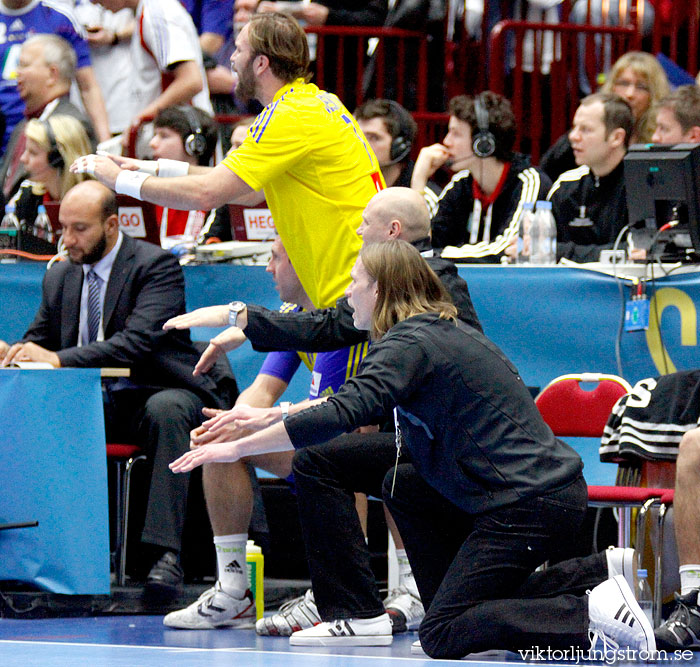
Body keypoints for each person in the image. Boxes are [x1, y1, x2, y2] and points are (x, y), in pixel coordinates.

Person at [168, 239, 655, 657]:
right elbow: (342, 401)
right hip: (524, 493)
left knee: (442, 632)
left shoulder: (410, 344)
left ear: (379, 289)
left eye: (354, 281)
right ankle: (598, 574)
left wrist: (236, 450)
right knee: (403, 487)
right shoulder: (424, 332)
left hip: (527, 504)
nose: (346, 293)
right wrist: (266, 413)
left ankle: (587, 613)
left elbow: (342, 412)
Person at [161, 187, 475, 633]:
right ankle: (300, 597)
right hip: (413, 438)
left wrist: (268, 413)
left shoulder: (432, 288)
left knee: (345, 447)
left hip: (453, 448)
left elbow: (353, 403)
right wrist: (240, 321)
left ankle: (393, 590)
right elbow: (323, 328)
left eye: (365, 224)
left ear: (393, 232)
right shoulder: (386, 290)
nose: (356, 233)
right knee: (301, 450)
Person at [0, 180, 234, 599]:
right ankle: (38, 548)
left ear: (111, 225)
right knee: (29, 406)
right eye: (63, 229)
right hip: (90, 401)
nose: (67, 240)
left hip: (151, 390)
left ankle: (165, 555)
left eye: (79, 229)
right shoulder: (61, 274)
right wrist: (14, 351)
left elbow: (138, 342)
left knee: (170, 409)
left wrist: (58, 359)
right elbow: (42, 339)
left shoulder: (155, 266)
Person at [72, 11, 384, 310]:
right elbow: (247, 192)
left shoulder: (286, 115)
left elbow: (207, 193)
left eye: (238, 50)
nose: (231, 59)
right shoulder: (315, 101)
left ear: (260, 63)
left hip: (351, 290)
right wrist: (150, 167)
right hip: (353, 285)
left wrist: (120, 181)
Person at [411, 91, 551, 263]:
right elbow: (423, 245)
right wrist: (419, 181)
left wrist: (436, 255)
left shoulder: (529, 181)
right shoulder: (460, 183)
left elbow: (506, 248)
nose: (446, 141)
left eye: (456, 133)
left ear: (484, 143)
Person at [92, 0, 213, 140]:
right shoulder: (148, 12)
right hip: (172, 135)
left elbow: (191, 81)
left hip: (184, 137)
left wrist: (139, 120)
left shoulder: (157, 12)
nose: (93, 2)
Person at [541, 51, 670, 181]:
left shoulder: (660, 138)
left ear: (654, 94)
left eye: (641, 87)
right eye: (623, 83)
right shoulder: (583, 134)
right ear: (612, 86)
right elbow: (546, 171)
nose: (630, 94)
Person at [0, 0, 109, 153]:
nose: (19, 73)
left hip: (51, 131)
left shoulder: (58, 17)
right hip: (7, 131)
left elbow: (88, 87)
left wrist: (106, 145)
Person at [0, 35, 97, 203]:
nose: (16, 73)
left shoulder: (72, 126)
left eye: (24, 65)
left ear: (52, 74)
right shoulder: (22, 125)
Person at [547, 92, 633, 263]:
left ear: (616, 137)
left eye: (585, 130)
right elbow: (541, 248)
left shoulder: (642, 186)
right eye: (574, 127)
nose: (573, 136)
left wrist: (563, 252)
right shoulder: (565, 187)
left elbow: (638, 252)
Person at [9, 115, 92, 253]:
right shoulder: (27, 197)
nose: (23, 159)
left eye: (33, 153)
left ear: (57, 159)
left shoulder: (94, 201)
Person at [147, 106, 225, 248]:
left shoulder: (218, 194)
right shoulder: (147, 190)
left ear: (194, 145)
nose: (152, 143)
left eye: (164, 136)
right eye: (154, 135)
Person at [354, 98, 439, 214]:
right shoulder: (349, 186)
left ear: (399, 147)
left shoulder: (426, 198)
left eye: (373, 137)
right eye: (358, 136)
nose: (361, 144)